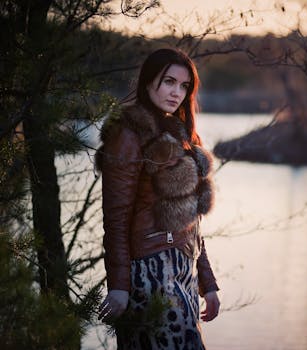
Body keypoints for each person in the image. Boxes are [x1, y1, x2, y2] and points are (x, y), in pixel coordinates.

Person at [96, 48, 220, 349]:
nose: (176, 92)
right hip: (148, 274)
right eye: (168, 82)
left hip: (183, 272)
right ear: (148, 82)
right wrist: (120, 286)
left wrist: (207, 283)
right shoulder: (128, 134)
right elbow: (116, 217)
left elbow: (190, 221)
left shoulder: (180, 135)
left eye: (184, 86)